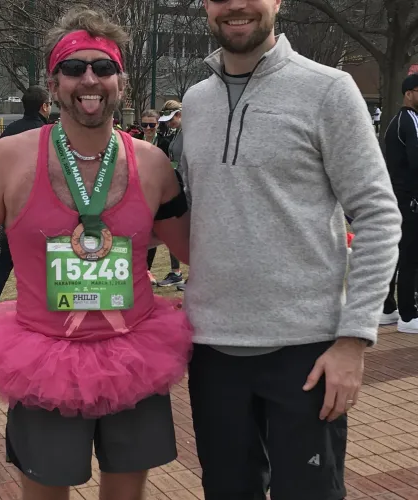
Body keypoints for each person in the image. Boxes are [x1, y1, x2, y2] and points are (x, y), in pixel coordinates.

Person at [0, 7, 192, 500]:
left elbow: (193, 251)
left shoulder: (153, 163)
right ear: (54, 84)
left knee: (126, 495)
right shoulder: (9, 158)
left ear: (120, 80)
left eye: (102, 68)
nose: (89, 80)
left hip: (135, 353)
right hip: (44, 357)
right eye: (74, 68)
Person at [181, 1, 401, 499]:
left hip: (306, 352)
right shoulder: (195, 101)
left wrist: (353, 340)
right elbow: (208, 212)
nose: (235, 5)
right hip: (213, 351)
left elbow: (378, 213)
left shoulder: (329, 89)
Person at [0, 85, 52, 321]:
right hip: (41, 203)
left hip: (11, 204)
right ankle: (46, 304)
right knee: (48, 255)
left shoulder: (9, 132)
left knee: (6, 257)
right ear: (44, 106)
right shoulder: (48, 133)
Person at [383, 73, 418, 333]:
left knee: (396, 253)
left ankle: (386, 308)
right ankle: (408, 314)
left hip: (397, 195)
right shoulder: (409, 121)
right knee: (410, 254)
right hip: (409, 198)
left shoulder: (396, 122)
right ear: (409, 93)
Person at [135, 109, 171, 285]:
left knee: (152, 230)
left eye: (152, 124)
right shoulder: (132, 141)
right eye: (145, 124)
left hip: (155, 191)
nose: (148, 128)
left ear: (158, 125)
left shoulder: (164, 142)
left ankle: (147, 269)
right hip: (134, 190)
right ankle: (138, 268)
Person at [157, 100, 185, 288]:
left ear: (179, 114)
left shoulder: (192, 132)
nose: (168, 123)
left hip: (187, 186)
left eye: (171, 119)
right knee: (174, 230)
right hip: (178, 183)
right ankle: (176, 272)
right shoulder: (178, 134)